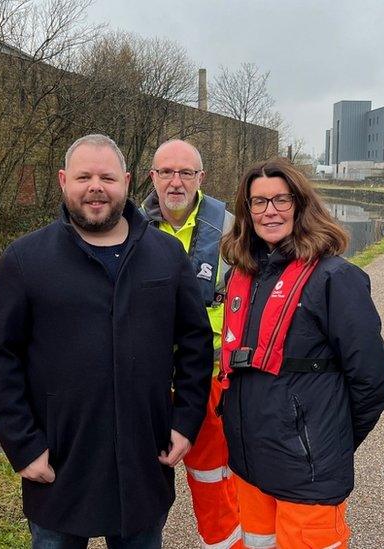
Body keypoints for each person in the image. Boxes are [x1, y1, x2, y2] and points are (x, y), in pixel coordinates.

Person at [0, 134, 213, 547]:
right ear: (64, 180)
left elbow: (195, 345)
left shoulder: (166, 255)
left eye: (106, 176)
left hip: (144, 463)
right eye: (83, 176)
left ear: (127, 180)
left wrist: (186, 422)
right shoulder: (25, 259)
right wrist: (22, 444)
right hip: (59, 468)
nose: (95, 187)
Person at [217, 158, 384, 549]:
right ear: (246, 212)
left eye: (281, 199)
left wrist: (327, 441)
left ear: (300, 204)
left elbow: (371, 381)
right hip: (250, 466)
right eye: (258, 202)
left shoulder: (335, 279)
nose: (270, 211)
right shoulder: (242, 276)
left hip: (307, 473)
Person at [141, 139, 242, 549]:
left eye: (186, 173)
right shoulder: (129, 229)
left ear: (201, 178)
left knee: (213, 480)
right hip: (147, 385)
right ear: (152, 177)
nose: (176, 181)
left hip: (212, 381)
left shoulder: (233, 230)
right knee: (141, 485)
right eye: (166, 172)